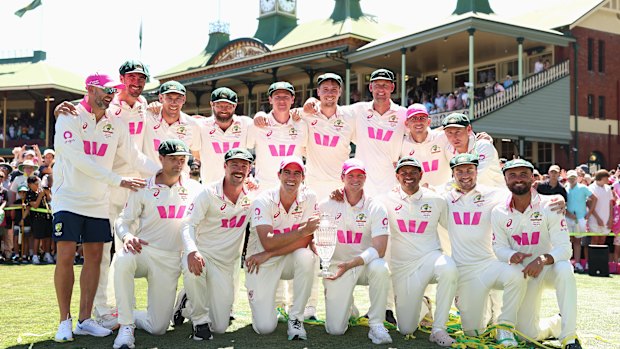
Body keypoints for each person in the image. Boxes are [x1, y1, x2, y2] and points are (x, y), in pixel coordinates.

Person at [51, 73, 150, 342]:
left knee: (95, 259)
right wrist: (119, 180)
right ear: (90, 88)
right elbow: (78, 159)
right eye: (107, 90)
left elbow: (133, 156)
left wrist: (164, 173)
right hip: (68, 198)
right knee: (66, 257)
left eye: (113, 91)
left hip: (98, 201)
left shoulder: (115, 122)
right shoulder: (69, 115)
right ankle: (64, 321)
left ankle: (84, 320)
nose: (111, 94)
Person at [112, 139, 202, 349]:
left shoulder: (195, 189)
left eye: (182, 159)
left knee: (158, 327)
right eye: (173, 159)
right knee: (123, 258)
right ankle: (126, 327)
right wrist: (126, 237)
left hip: (171, 259)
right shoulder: (143, 187)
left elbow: (219, 196)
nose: (179, 164)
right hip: (144, 250)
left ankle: (127, 314)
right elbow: (122, 221)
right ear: (160, 159)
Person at [492, 159, 581, 349]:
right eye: (512, 175)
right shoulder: (498, 211)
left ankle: (569, 337)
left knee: (565, 268)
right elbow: (498, 247)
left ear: (533, 178)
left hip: (547, 268)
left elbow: (565, 248)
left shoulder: (551, 205)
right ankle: (554, 325)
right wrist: (510, 255)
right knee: (526, 335)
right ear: (505, 179)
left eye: (523, 174)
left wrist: (543, 259)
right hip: (523, 274)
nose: (518, 179)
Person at [444, 153, 525, 347]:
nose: (465, 175)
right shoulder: (444, 196)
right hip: (465, 271)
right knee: (473, 332)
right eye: (460, 171)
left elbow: (523, 196)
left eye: (469, 170)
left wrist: (553, 200)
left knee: (517, 274)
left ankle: (504, 326)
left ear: (476, 171)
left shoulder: (494, 193)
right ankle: (486, 309)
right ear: (453, 174)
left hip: (490, 264)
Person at [380, 157, 457, 347]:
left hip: (430, 258)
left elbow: (454, 228)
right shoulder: (384, 200)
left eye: (413, 172)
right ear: (397, 176)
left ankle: (438, 329)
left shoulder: (436, 200)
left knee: (449, 268)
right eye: (404, 172)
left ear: (421, 175)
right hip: (402, 267)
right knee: (406, 329)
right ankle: (423, 304)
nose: (408, 176)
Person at [182, 148, 255, 340]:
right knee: (193, 270)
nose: (239, 169)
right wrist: (191, 251)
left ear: (249, 169)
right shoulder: (208, 192)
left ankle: (187, 302)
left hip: (225, 265)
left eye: (244, 165)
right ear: (225, 166)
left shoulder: (253, 196)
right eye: (234, 164)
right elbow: (188, 224)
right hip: (202, 254)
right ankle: (198, 321)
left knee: (221, 327)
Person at [319, 159, 392, 344]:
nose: (355, 179)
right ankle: (348, 307)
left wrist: (352, 263)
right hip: (337, 267)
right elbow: (314, 238)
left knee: (380, 267)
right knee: (335, 330)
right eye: (350, 175)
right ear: (342, 177)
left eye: (359, 175)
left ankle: (376, 323)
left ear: (365, 178)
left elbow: (380, 248)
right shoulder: (326, 204)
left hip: (363, 266)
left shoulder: (376, 206)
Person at [244, 156, 318, 340]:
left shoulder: (310, 197)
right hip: (259, 262)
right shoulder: (263, 200)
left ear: (303, 177)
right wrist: (302, 231)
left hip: (276, 257)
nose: (291, 178)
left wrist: (269, 253)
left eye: (297, 173)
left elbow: (305, 240)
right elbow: (267, 240)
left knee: (306, 256)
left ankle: (296, 318)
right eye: (287, 172)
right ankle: (266, 308)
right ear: (279, 175)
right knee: (265, 328)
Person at [247, 82, 308, 192]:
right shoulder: (258, 125)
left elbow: (309, 152)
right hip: (264, 190)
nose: (282, 101)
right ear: (270, 99)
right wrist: (248, 176)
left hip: (293, 189)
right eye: (277, 97)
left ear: (293, 99)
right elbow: (243, 148)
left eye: (286, 97)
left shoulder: (302, 125)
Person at [197, 87, 252, 184]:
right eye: (219, 105)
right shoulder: (201, 125)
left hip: (238, 187)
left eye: (228, 106)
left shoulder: (246, 124)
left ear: (235, 106)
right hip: (210, 187)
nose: (224, 110)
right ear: (212, 104)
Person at [142, 81, 201, 170]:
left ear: (184, 99)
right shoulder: (147, 118)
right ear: (161, 98)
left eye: (178, 98)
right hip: (152, 180)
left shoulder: (192, 124)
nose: (174, 103)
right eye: (169, 98)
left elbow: (197, 154)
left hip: (180, 181)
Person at [443, 113, 504, 188]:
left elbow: (471, 177)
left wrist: (442, 190)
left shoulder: (483, 145)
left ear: (468, 129)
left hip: (496, 195)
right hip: (471, 196)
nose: (454, 137)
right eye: (449, 133)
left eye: (458, 132)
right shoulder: (448, 150)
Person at [565, 170, 594, 272]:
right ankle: (568, 262)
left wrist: (589, 213)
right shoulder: (565, 188)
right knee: (567, 241)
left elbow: (594, 198)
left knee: (577, 241)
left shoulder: (583, 188)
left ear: (577, 178)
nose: (572, 179)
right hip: (567, 218)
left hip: (580, 218)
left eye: (573, 177)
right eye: (570, 177)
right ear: (567, 178)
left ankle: (577, 263)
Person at [587, 170, 614, 245]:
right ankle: (593, 257)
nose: (608, 180)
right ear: (601, 178)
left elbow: (610, 203)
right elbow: (589, 204)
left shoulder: (608, 189)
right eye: (606, 178)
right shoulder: (591, 188)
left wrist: (610, 218)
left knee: (602, 241)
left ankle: (600, 257)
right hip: (594, 219)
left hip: (606, 219)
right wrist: (598, 219)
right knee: (595, 240)